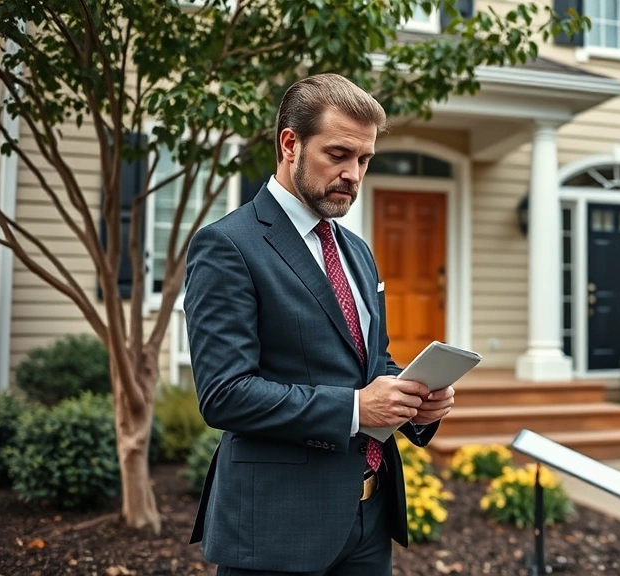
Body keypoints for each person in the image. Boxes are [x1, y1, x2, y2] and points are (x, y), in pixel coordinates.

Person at [183, 73, 455, 576]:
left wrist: (416, 402)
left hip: (369, 521)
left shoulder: (357, 251)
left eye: (364, 160)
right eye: (338, 155)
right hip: (275, 529)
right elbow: (224, 393)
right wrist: (356, 407)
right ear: (291, 144)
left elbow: (371, 362)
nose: (353, 173)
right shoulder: (228, 245)